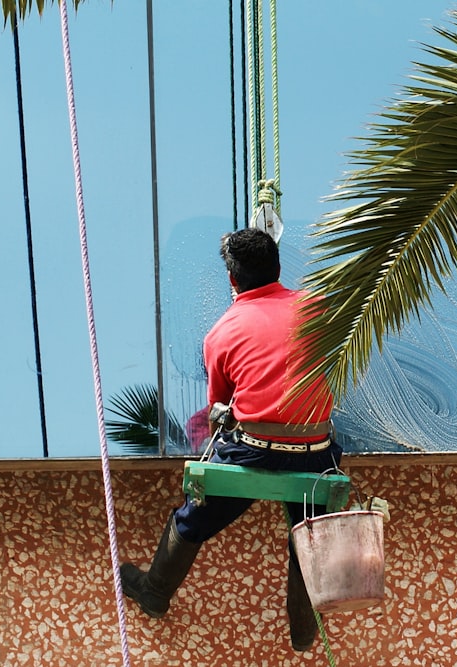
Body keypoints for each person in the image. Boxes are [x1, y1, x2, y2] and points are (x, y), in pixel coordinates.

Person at [120, 227, 341, 651]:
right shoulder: (318, 308)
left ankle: (154, 593)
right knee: (306, 533)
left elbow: (220, 404)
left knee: (192, 518)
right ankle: (303, 630)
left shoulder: (220, 334)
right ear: (279, 268)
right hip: (313, 451)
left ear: (232, 280)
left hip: (254, 450)